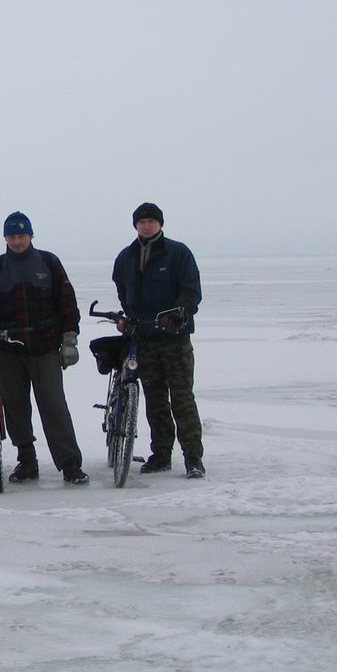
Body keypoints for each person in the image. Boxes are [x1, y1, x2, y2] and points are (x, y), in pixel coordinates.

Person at [0, 211, 88, 485]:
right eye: (12, 236)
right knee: (15, 406)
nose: (17, 241)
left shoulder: (49, 262)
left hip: (45, 347)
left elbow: (67, 303)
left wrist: (69, 339)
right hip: (9, 348)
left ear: (31, 236)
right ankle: (27, 460)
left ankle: (70, 464)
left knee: (54, 405)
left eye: (21, 235)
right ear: (5, 238)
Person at [112, 202, 205, 478]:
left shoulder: (178, 253)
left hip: (174, 338)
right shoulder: (126, 257)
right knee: (155, 400)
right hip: (144, 339)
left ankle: (193, 458)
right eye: (142, 222)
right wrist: (129, 317)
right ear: (135, 225)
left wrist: (179, 313)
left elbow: (192, 291)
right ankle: (161, 454)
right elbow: (122, 289)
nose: (147, 226)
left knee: (182, 398)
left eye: (151, 221)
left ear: (160, 224)